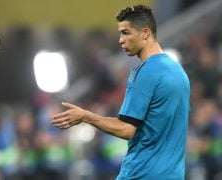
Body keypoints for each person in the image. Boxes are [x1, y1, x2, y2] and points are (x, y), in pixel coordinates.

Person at [52, 4, 191, 180]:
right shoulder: (179, 73)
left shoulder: (145, 71)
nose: (120, 40)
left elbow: (126, 129)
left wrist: (85, 116)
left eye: (126, 32)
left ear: (145, 33)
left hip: (141, 174)